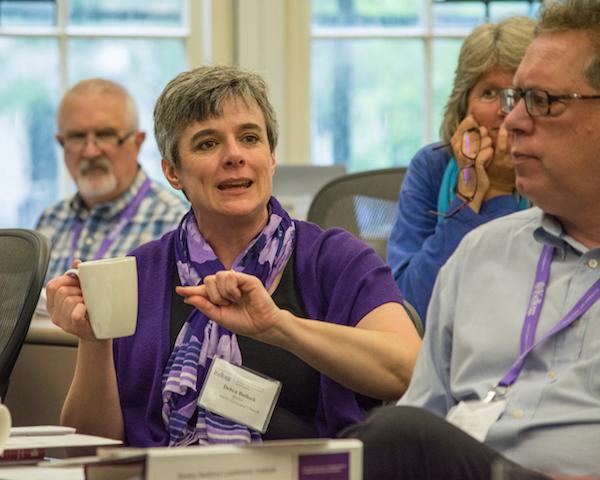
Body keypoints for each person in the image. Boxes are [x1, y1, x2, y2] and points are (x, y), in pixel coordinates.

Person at [46, 65, 421, 447]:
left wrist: (280, 328)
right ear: (173, 172)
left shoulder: (335, 259)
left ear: (271, 157)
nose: (234, 155)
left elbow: (405, 369)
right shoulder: (138, 274)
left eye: (250, 138)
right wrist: (93, 341)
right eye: (207, 143)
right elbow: (89, 446)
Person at [341, 1, 600, 478]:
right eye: (504, 96)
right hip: (461, 461)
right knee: (382, 438)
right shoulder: (480, 252)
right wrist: (475, 201)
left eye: (542, 101)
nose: (512, 118)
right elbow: (411, 327)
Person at [387, 16, 535, 321]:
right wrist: (469, 193)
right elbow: (410, 304)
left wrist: (498, 191)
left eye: (518, 95)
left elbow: (517, 300)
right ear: (463, 104)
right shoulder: (432, 166)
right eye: (488, 93)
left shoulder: (558, 170)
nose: (503, 111)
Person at [36, 78, 188, 283]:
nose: (90, 152)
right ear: (61, 142)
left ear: (137, 143)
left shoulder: (177, 225)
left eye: (105, 135)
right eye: (77, 137)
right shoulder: (50, 221)